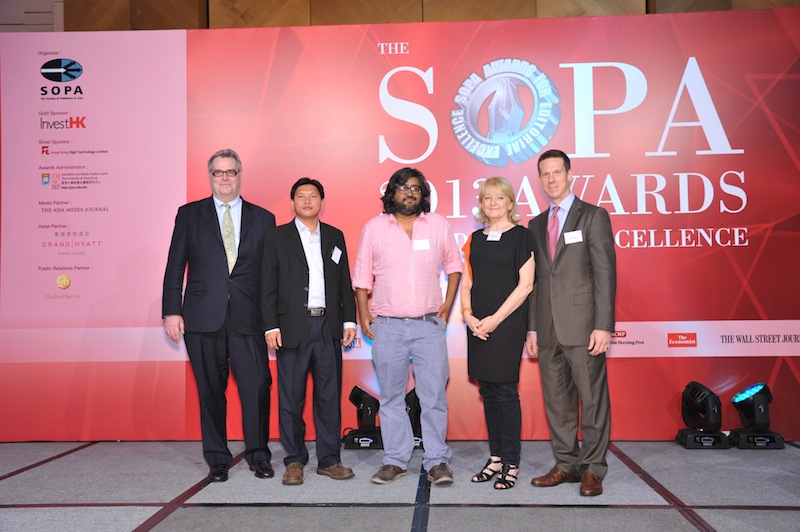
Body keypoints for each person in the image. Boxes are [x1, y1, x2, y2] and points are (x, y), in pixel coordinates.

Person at [162, 148, 276, 483]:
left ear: (240, 175)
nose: (225, 178)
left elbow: (271, 274)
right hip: (202, 316)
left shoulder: (263, 218)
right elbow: (175, 265)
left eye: (231, 172)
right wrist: (172, 310)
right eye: (218, 172)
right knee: (210, 390)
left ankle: (259, 455)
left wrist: (274, 318)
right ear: (210, 176)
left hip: (249, 317)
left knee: (257, 387)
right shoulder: (189, 214)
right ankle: (217, 458)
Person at [352, 167, 462, 486]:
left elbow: (454, 266)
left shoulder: (438, 225)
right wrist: (363, 313)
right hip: (387, 327)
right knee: (391, 397)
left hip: (428, 325)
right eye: (402, 187)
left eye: (415, 188)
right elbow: (362, 277)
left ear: (422, 194)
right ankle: (395, 460)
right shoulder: (374, 228)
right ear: (392, 193)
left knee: (433, 396)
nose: (409, 193)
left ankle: (437, 460)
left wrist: (447, 305)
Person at [526, 149, 616, 497]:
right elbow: (536, 282)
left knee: (592, 400)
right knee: (557, 402)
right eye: (545, 174)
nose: (551, 179)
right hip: (548, 329)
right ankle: (566, 464)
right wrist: (533, 327)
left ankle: (592, 468)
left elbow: (605, 274)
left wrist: (603, 325)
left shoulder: (593, 216)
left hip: (583, 326)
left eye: (557, 172)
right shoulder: (535, 224)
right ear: (539, 179)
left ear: (570, 174)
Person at [260, 178, 357, 486]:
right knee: (291, 397)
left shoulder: (335, 236)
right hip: (292, 327)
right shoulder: (277, 237)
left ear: (321, 202)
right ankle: (294, 460)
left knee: (329, 396)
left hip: (328, 326)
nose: (306, 200)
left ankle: (329, 460)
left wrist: (349, 321)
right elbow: (267, 285)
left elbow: (344, 282)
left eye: (312, 196)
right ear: (292, 202)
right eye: (300, 196)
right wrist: (271, 325)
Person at [461, 177, 534, 490]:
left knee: (504, 392)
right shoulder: (474, 239)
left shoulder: (522, 236)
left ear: (510, 203)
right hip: (477, 325)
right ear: (481, 203)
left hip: (507, 324)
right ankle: (495, 458)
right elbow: (467, 283)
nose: (493, 203)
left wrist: (494, 320)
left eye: (499, 197)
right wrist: (468, 316)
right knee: (488, 392)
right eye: (487, 197)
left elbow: (525, 286)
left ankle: (512, 462)